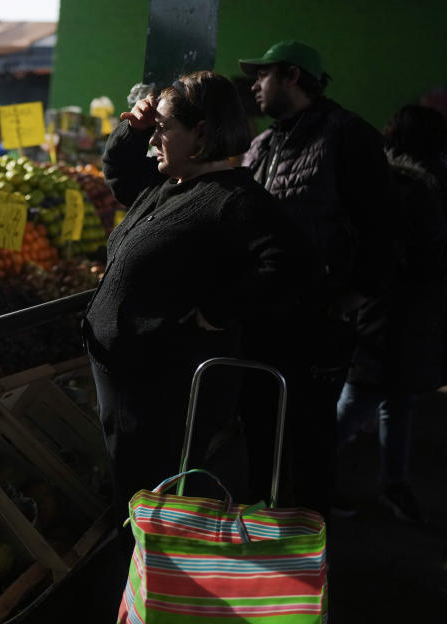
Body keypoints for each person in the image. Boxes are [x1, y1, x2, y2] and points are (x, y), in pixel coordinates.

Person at [84, 71, 311, 547]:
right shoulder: (170, 183)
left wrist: (221, 309)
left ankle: (158, 604)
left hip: (164, 392)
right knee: (135, 500)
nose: (156, 141)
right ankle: (141, 590)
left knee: (155, 508)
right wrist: (138, 126)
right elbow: (121, 172)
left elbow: (292, 262)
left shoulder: (234, 199)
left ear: (202, 133)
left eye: (165, 129)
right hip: (129, 382)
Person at [237, 41, 392, 518]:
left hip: (318, 321)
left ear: (291, 75)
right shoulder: (263, 144)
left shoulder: (347, 135)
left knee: (309, 439)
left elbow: (383, 227)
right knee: (259, 430)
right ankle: (261, 537)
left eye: (262, 76)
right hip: (261, 318)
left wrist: (352, 298)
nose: (253, 86)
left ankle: (308, 550)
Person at [335, 105, 447, 523]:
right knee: (359, 402)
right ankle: (309, 479)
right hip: (392, 316)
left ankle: (392, 482)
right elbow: (412, 257)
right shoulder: (410, 188)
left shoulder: (399, 183)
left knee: (391, 402)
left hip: (390, 314)